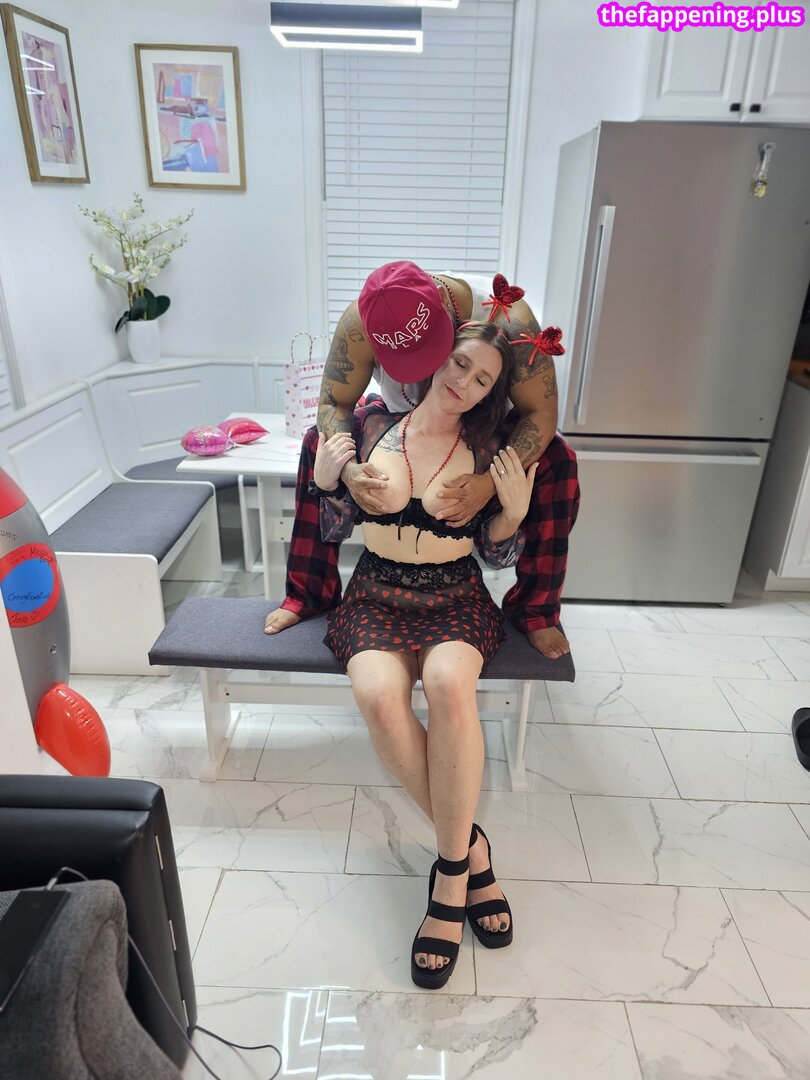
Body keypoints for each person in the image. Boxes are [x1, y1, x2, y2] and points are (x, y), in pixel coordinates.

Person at [311, 321, 535, 989]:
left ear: (491, 393)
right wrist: (328, 484)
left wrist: (510, 516)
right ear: (438, 358)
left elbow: (495, 556)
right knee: (379, 696)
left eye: (482, 378)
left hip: (454, 593)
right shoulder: (373, 424)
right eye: (460, 364)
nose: (464, 382)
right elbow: (334, 528)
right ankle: (469, 852)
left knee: (446, 683)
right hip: (375, 591)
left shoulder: (491, 448)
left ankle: (448, 879)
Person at [265, 261, 579, 660]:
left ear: (447, 316)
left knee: (557, 460)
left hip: (481, 419)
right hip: (399, 417)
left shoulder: (510, 320)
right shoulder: (361, 321)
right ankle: (309, 593)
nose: (417, 371)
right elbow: (334, 401)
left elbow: (540, 414)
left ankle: (536, 609)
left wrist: (488, 484)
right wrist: (347, 469)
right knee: (318, 443)